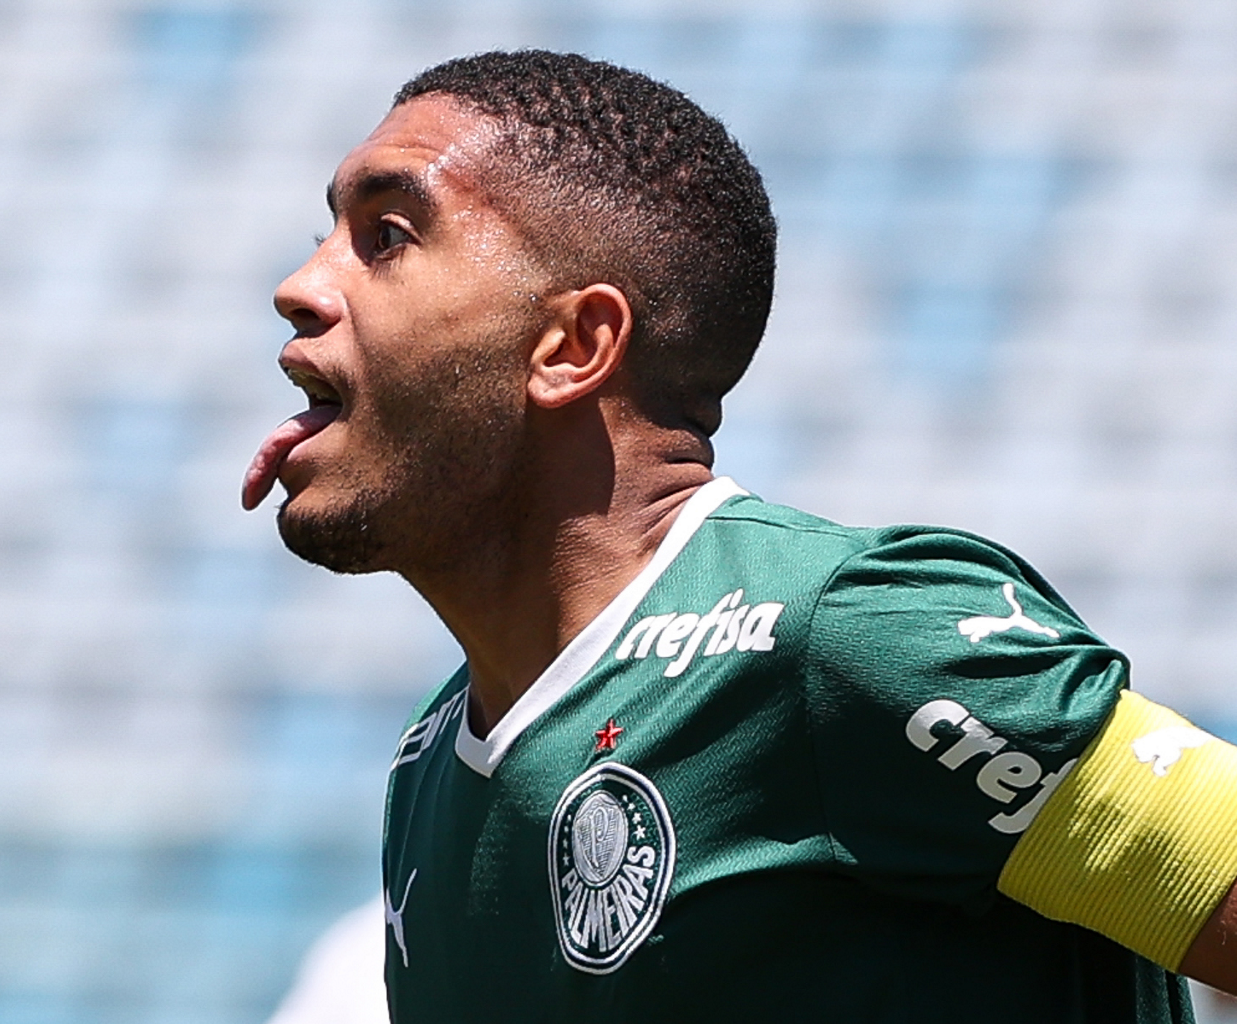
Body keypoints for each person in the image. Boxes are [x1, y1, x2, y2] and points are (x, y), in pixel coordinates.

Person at [242, 49, 1237, 1023]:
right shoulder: (430, 765)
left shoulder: (843, 639)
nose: (300, 285)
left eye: (386, 235)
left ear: (572, 346)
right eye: (327, 233)